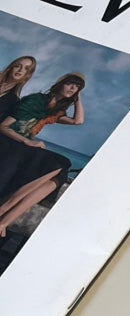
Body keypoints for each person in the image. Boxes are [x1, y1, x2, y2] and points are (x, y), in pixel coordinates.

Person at [0, 72, 84, 235]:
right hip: (10, 142)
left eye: (77, 87)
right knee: (59, 163)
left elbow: (78, 121)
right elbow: (3, 126)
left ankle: (4, 222)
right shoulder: (35, 100)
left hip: (25, 147)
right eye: (70, 84)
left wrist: (78, 98)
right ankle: (3, 210)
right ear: (60, 84)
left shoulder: (55, 112)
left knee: (61, 171)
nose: (73, 88)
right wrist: (27, 141)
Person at [0, 55, 36, 124]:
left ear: (28, 74)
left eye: (26, 68)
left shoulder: (14, 102)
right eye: (18, 66)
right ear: (11, 67)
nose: (20, 70)